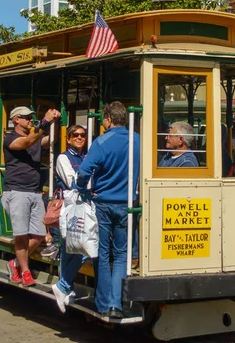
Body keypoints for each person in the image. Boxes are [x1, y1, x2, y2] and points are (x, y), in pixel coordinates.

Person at [76, 102, 140, 319]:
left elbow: (84, 171)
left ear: (108, 119)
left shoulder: (101, 141)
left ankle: (102, 304)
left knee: (102, 254)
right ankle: (116, 304)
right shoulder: (138, 140)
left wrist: (81, 187)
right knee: (122, 254)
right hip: (127, 204)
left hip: (102, 203)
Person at [1, 105, 61, 287]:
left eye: (31, 117)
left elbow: (51, 139)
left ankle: (16, 263)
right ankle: (26, 272)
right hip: (16, 192)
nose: (29, 119)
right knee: (21, 236)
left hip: (34, 192)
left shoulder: (35, 138)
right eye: (26, 117)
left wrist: (55, 122)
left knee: (40, 234)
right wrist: (45, 121)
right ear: (15, 120)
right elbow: (27, 142)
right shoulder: (10, 139)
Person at [51, 124, 87, 313]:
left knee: (74, 249)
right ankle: (64, 286)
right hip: (69, 208)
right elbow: (72, 181)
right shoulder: (63, 158)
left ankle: (64, 287)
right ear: (68, 138)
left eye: (82, 135)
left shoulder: (86, 156)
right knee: (77, 249)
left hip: (83, 208)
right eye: (76, 135)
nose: (79, 138)